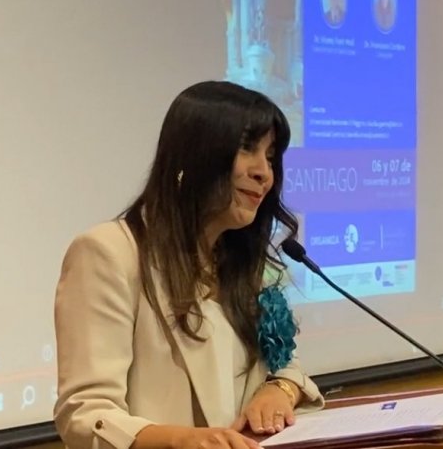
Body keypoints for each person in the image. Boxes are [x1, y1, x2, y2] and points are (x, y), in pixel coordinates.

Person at [54, 81, 324, 449]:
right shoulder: (109, 253)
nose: (265, 172)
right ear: (196, 153)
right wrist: (185, 441)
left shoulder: (241, 260)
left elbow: (283, 365)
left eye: (271, 155)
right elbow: (86, 415)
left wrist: (280, 389)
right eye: (247, 148)